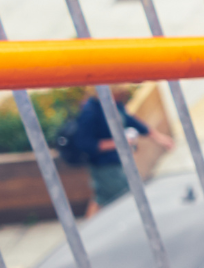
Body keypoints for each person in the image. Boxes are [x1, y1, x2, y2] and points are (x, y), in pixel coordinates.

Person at [67, 86, 171, 215]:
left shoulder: (113, 104)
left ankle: (89, 227)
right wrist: (119, 142)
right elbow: (86, 144)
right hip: (105, 166)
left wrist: (159, 138)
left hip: (116, 163)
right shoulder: (91, 111)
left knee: (102, 199)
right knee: (123, 198)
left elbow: (131, 121)